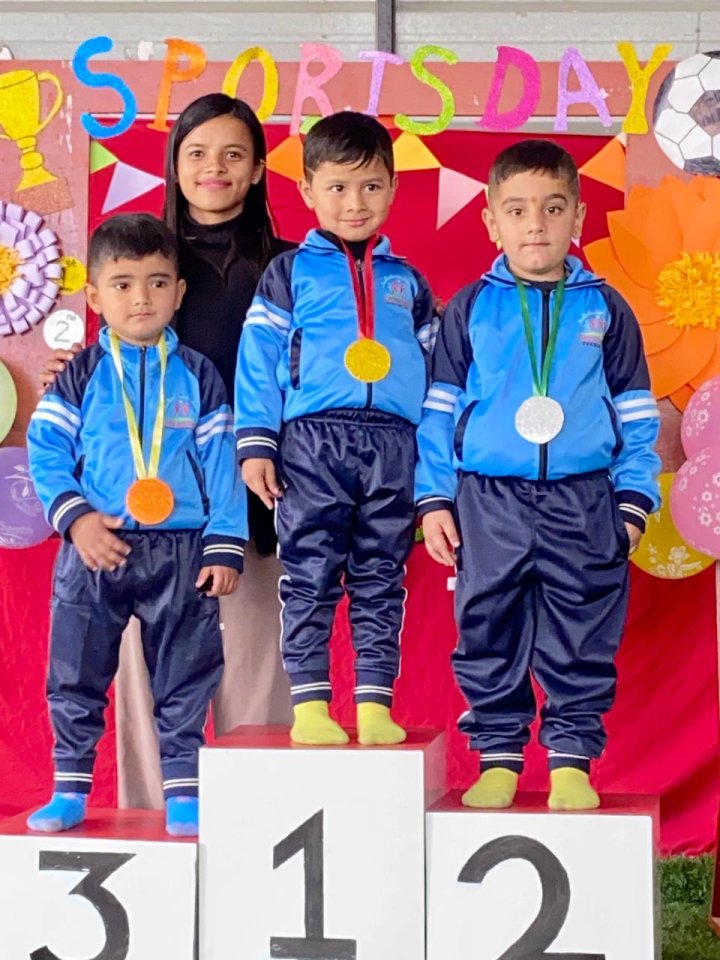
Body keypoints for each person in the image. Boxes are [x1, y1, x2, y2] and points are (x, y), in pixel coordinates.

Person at [39, 94, 293, 808]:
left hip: (257, 508)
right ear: (174, 165)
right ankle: (154, 830)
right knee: (143, 686)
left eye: (233, 154)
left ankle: (256, 828)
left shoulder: (290, 267)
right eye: (197, 153)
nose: (215, 168)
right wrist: (72, 372)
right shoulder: (143, 250)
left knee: (255, 685)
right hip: (142, 524)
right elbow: (111, 368)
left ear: (258, 169)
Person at [417, 139, 661, 810]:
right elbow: (438, 412)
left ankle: (571, 761)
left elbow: (637, 416)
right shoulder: (469, 308)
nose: (536, 226)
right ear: (491, 221)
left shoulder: (607, 309)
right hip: (487, 499)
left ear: (577, 218)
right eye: (518, 210)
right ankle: (498, 756)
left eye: (553, 209)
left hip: (584, 499)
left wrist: (632, 503)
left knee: (583, 629)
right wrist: (434, 499)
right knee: (487, 624)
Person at [26, 213, 246, 836]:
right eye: (123, 284)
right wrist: (76, 520)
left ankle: (184, 792)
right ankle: (70, 788)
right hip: (95, 547)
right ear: (95, 297)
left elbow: (221, 463)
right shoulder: (78, 375)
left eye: (157, 282)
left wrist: (224, 544)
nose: (141, 298)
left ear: (179, 292)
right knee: (75, 671)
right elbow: (46, 450)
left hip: (181, 551)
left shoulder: (200, 376)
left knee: (186, 673)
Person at [236, 111, 437, 747]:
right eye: (339, 187)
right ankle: (311, 703)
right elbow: (258, 360)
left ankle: (374, 703)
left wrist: (433, 464)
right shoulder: (288, 273)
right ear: (308, 191)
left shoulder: (409, 282)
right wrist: (256, 443)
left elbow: (438, 381)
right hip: (311, 444)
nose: (355, 203)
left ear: (394, 189)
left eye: (371, 186)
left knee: (382, 577)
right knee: (310, 573)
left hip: (394, 445)